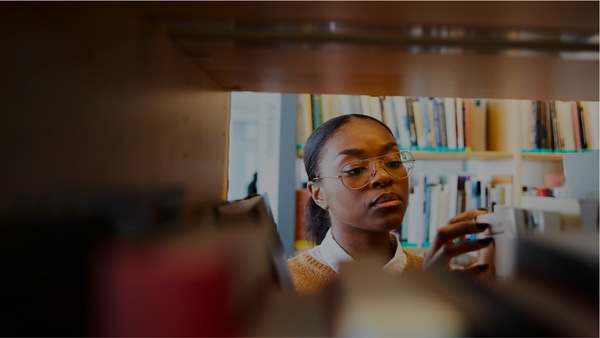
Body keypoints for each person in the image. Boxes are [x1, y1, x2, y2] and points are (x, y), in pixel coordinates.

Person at [287, 114, 492, 294]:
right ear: (318, 193)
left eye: (393, 162)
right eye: (355, 169)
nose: (383, 176)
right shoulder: (286, 285)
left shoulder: (439, 276)